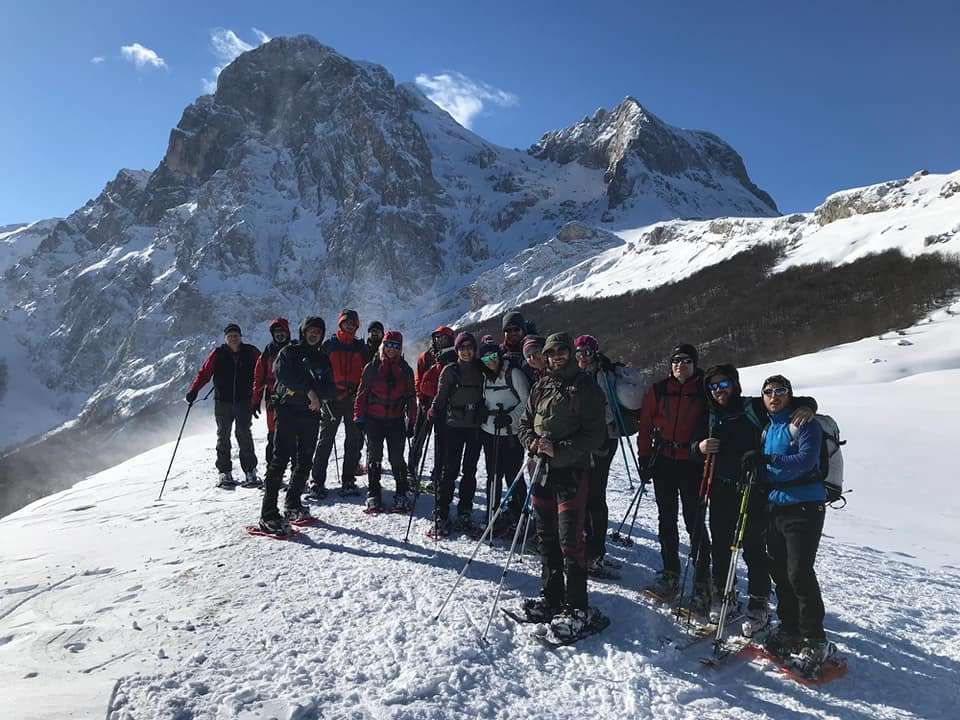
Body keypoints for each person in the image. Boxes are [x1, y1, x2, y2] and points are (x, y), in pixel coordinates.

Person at [692, 364, 817, 634]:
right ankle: (723, 595)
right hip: (721, 489)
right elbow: (692, 443)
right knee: (721, 545)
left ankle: (759, 603)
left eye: (723, 384)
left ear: (734, 385)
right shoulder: (709, 414)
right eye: (713, 386)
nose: (718, 391)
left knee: (752, 546)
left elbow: (788, 404)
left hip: (754, 488)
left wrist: (809, 406)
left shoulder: (752, 406)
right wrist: (698, 447)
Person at [517, 332, 607, 640]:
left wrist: (560, 450)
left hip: (571, 472)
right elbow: (524, 423)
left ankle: (577, 606)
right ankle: (552, 596)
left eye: (562, 351)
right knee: (546, 536)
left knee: (571, 540)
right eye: (551, 352)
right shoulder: (542, 384)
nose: (557, 356)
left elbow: (595, 436)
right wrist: (533, 443)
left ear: (570, 353)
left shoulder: (586, 388)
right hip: (541, 471)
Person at [747, 375, 833, 667]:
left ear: (789, 394)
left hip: (805, 506)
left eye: (780, 391)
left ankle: (815, 639)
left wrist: (766, 459)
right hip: (776, 507)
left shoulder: (805, 423)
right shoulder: (769, 427)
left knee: (799, 572)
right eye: (768, 392)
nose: (774, 396)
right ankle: (789, 628)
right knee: (780, 571)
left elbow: (806, 461)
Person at [636, 343, 712, 612]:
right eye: (676, 360)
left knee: (695, 522)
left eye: (687, 361)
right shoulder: (658, 390)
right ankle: (670, 573)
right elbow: (645, 425)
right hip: (664, 461)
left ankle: (703, 581)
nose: (681, 365)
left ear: (695, 364)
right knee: (666, 519)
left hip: (693, 464)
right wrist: (644, 458)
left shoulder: (705, 390)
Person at [258, 317, 335, 533]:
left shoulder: (322, 358)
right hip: (288, 412)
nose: (314, 335)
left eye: (318, 332)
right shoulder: (289, 353)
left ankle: (292, 503)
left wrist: (317, 396)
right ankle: (268, 514)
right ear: (303, 332)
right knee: (279, 460)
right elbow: (282, 374)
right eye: (311, 331)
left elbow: (330, 388)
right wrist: (309, 391)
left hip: (310, 415)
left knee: (304, 461)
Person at [186, 323, 261, 488]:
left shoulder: (251, 352)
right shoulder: (218, 354)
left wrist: (260, 395)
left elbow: (261, 372)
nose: (233, 338)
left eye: (236, 335)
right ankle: (224, 472)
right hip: (223, 402)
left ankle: (250, 471)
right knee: (223, 436)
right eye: (230, 336)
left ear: (240, 337)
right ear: (225, 338)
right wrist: (194, 390)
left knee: (244, 435)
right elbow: (204, 373)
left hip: (244, 401)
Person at [573, 334, 622, 577]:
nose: (582, 357)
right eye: (579, 352)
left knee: (594, 494)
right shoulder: (584, 374)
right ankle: (589, 547)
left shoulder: (603, 375)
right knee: (583, 492)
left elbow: (606, 411)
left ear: (594, 353)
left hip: (602, 441)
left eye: (586, 352)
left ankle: (595, 552)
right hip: (585, 441)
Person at [428, 331, 485, 535]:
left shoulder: (481, 369)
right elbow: (441, 395)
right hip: (453, 426)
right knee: (449, 470)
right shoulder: (450, 371)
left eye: (470, 348)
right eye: (462, 348)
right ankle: (441, 512)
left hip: (474, 427)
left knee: (469, 471)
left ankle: (464, 511)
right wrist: (434, 410)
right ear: (457, 350)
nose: (466, 352)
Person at [308, 309, 370, 498]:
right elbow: (316, 370)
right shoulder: (329, 345)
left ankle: (348, 480)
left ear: (357, 325)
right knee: (325, 441)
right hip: (331, 400)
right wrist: (320, 393)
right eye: (346, 322)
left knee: (353, 441)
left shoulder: (361, 348)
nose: (349, 325)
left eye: (352, 323)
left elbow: (368, 373)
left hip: (353, 399)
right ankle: (317, 482)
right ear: (340, 323)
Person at [354, 330, 417, 512]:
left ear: (400, 348)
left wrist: (411, 421)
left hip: (396, 420)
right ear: (383, 345)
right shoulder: (372, 367)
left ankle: (402, 492)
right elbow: (362, 394)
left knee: (397, 458)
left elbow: (411, 398)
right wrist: (359, 416)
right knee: (374, 457)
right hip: (374, 420)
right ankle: (374, 493)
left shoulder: (405, 370)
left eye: (395, 346)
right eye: (388, 345)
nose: (391, 349)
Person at [478, 338, 530, 532]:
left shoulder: (513, 373)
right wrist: (481, 410)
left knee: (513, 475)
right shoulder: (485, 376)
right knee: (493, 475)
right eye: (485, 358)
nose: (489, 361)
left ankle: (520, 517)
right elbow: (484, 398)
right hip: (489, 432)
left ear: (499, 356)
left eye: (492, 356)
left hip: (511, 433)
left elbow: (527, 403)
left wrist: (510, 418)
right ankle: (492, 514)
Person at [411, 326, 456, 486]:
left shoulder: (455, 357)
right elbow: (418, 379)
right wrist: (421, 398)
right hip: (426, 403)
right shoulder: (425, 357)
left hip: (444, 406)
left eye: (443, 337)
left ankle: (437, 474)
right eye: (437, 337)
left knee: (441, 441)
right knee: (418, 438)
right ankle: (412, 470)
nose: (439, 340)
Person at [251, 318, 292, 479]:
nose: (280, 335)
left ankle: (295, 472)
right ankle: (273, 471)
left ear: (287, 332)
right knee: (274, 436)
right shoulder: (267, 352)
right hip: (273, 400)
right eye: (277, 333)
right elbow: (258, 378)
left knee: (293, 436)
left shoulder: (294, 349)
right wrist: (255, 400)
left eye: (282, 332)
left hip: (293, 399)